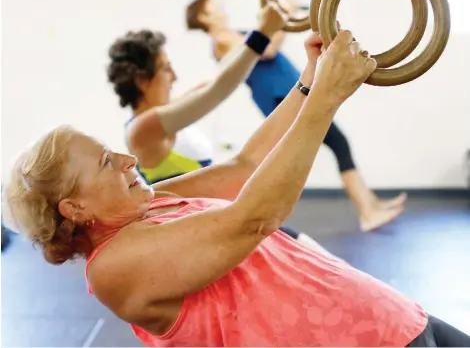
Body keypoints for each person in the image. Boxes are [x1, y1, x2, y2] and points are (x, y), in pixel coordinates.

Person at [5, 29, 470, 347]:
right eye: (108, 162)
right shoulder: (113, 271)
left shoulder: (154, 203)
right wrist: (327, 99)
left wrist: (309, 82)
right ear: (76, 207)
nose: (127, 159)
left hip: (392, 318)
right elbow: (252, 218)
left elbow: (246, 166)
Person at [106, 1, 333, 256]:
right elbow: (218, 90)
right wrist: (262, 35)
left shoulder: (168, 113)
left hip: (222, 216)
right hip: (204, 235)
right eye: (166, 68)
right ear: (141, 80)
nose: (174, 77)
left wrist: (261, 31)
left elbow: (219, 79)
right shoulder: (142, 131)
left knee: (321, 259)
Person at [186, 0, 407, 232]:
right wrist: (285, 14)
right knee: (337, 144)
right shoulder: (223, 39)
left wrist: (278, 20)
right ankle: (367, 212)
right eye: (215, 9)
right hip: (280, 98)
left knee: (339, 144)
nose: (223, 11)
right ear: (203, 17)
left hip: (288, 94)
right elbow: (268, 48)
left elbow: (264, 39)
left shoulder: (233, 35)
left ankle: (371, 205)